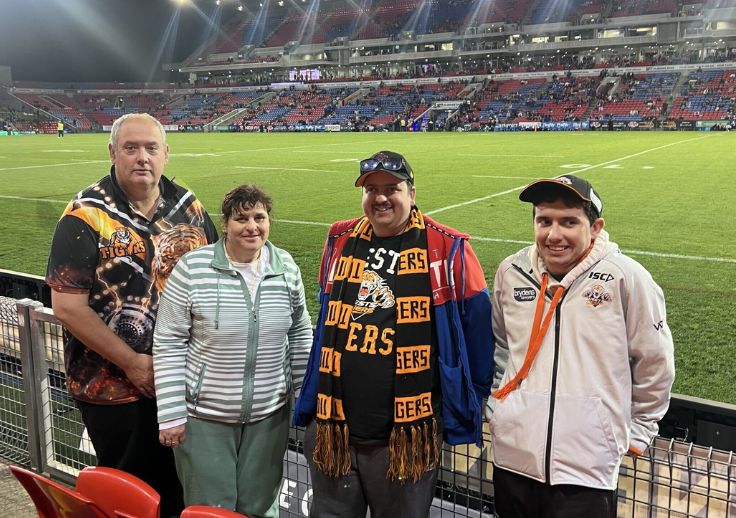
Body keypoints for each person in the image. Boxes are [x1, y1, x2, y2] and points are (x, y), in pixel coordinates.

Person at [293, 150, 493, 517]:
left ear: (411, 194)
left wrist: (470, 402)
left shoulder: (448, 248)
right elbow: (326, 323)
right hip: (334, 428)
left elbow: (479, 336)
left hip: (406, 438)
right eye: (371, 189)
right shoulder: (339, 240)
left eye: (392, 188)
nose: (380, 197)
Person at [46, 113, 218, 517]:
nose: (142, 157)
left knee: (182, 492)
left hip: (182, 384)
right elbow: (67, 306)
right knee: (127, 495)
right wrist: (134, 363)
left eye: (151, 148)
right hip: (112, 389)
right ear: (112, 152)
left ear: (166, 154)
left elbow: (216, 277)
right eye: (131, 147)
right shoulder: (85, 215)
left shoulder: (188, 206)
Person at [485, 175, 675, 518]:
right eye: (544, 221)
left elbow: (655, 362)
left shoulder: (626, 278)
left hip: (587, 468)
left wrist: (640, 430)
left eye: (569, 222)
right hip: (512, 459)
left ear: (596, 227)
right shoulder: (511, 272)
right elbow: (501, 346)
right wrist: (500, 408)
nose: (554, 235)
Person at [153, 185, 313, 517]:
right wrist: (170, 413)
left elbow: (299, 332)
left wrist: (304, 395)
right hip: (205, 419)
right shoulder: (193, 268)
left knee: (260, 506)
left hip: (269, 417)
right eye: (241, 218)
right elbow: (168, 341)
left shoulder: (285, 267)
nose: (251, 226)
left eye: (259, 217)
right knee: (210, 509)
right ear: (225, 223)